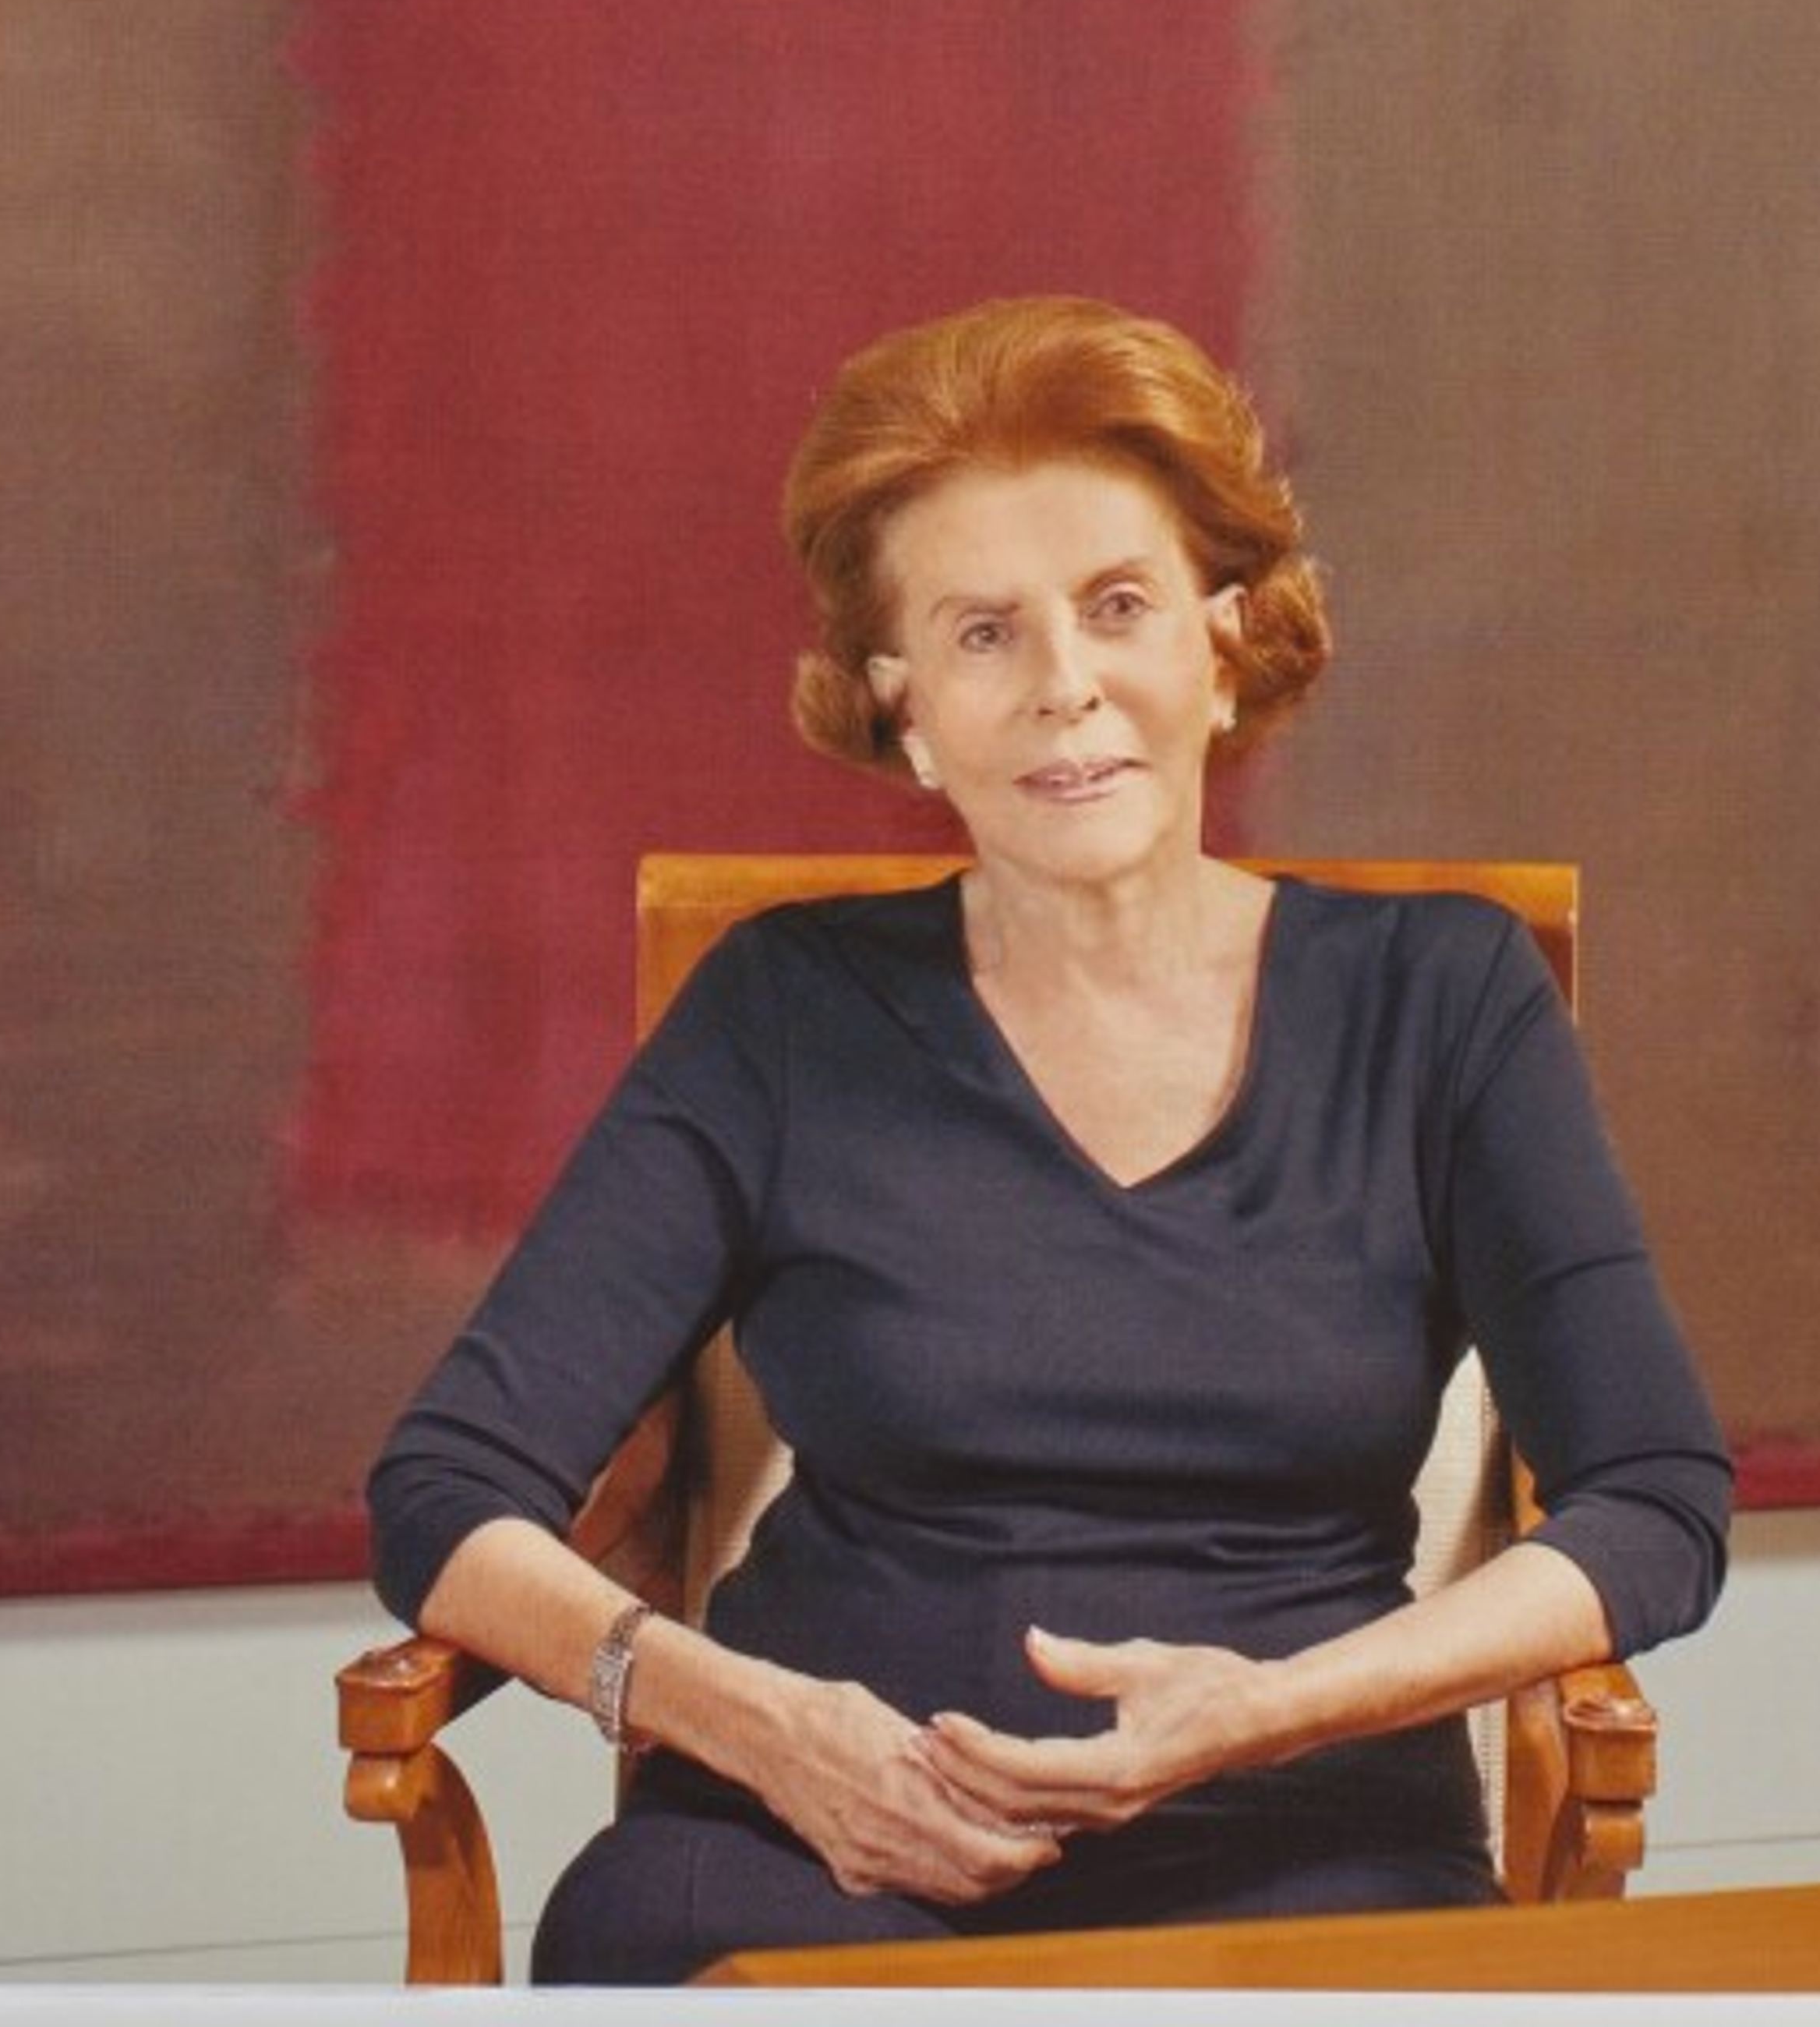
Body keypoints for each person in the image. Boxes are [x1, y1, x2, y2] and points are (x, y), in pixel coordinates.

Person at [366, 293, 1730, 1983]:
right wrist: (757, 1726)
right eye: (985, 635)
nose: (1066, 689)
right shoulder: (783, 1012)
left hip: (1306, 1845)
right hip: (821, 1847)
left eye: (1118, 608)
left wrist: (1262, 1718)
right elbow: (442, 1492)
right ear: (906, 707)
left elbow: (1657, 1504)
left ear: (1222, 652)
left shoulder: (1442, 998)